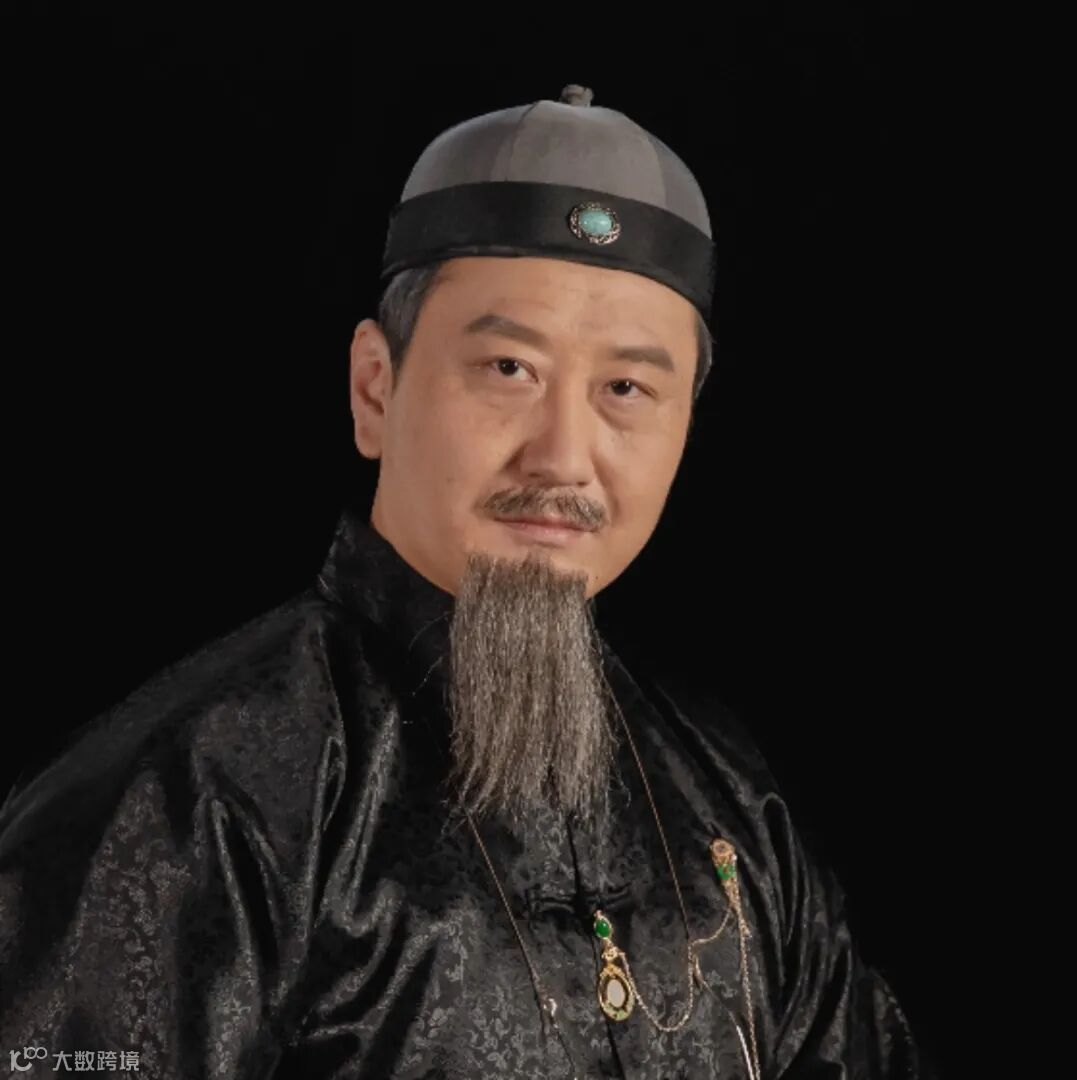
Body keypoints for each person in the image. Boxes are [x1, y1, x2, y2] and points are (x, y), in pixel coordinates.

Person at [0, 85, 930, 1079]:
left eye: (625, 388)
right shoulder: (195, 804)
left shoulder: (731, 809)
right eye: (508, 369)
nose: (562, 455)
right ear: (375, 388)